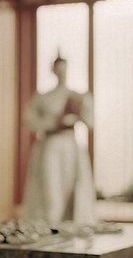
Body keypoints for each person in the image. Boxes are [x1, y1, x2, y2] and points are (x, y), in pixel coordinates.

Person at [21, 55, 96, 226]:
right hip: (51, 145)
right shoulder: (44, 97)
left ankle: (70, 223)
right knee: (51, 186)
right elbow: (30, 122)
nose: (61, 73)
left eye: (64, 69)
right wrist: (54, 122)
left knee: (72, 187)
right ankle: (51, 222)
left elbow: (90, 123)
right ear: (53, 71)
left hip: (70, 145)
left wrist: (79, 112)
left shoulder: (77, 96)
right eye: (58, 69)